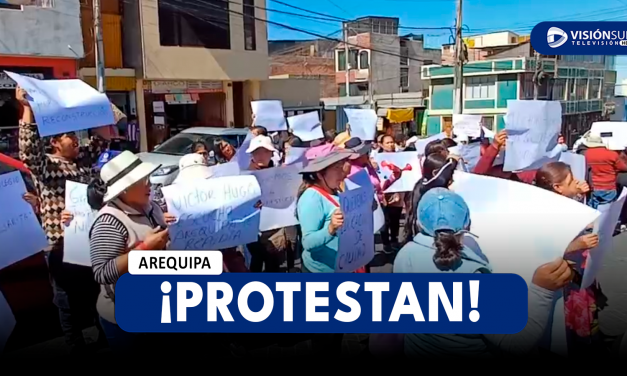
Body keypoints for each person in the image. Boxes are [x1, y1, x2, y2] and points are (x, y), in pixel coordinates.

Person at [394, 188, 573, 358]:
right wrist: (542, 290)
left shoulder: (404, 254)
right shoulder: (472, 277)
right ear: (469, 225)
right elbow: (516, 343)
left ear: (418, 223)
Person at [16, 86, 109, 354]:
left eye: (75, 135)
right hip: (62, 246)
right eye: (69, 136)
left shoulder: (83, 162)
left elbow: (103, 138)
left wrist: (98, 105)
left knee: (98, 295)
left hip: (91, 243)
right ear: (55, 142)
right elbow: (28, 149)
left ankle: (103, 340)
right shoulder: (46, 166)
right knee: (66, 301)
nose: (75, 140)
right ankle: (75, 345)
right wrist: (27, 108)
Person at [86, 151, 168, 353]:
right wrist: (145, 248)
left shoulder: (152, 208)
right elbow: (102, 272)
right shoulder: (109, 222)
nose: (149, 184)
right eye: (142, 180)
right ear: (123, 189)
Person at [535, 161, 608, 356]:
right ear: (557, 188)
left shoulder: (564, 202)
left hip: (578, 277)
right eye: (570, 180)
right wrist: (578, 245)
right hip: (561, 284)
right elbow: (542, 249)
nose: (576, 181)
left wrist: (581, 196)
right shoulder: (542, 212)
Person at [244, 135, 291, 272]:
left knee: (273, 262)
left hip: (274, 228)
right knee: (256, 259)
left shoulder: (281, 174)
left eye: (264, 151)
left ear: (271, 153)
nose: (260, 155)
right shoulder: (244, 178)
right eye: (256, 152)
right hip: (252, 228)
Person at [402, 153, 458, 245]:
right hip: (432, 238)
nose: (452, 179)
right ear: (435, 173)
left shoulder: (422, 184)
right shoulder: (432, 191)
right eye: (449, 174)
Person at [583, 134, 627, 209]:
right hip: (609, 187)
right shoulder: (612, 154)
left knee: (593, 210)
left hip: (593, 187)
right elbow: (623, 168)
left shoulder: (586, 154)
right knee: (607, 210)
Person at [378, 135, 404, 253]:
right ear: (381, 144)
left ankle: (394, 240)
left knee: (395, 219)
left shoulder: (400, 157)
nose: (391, 144)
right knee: (384, 220)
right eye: (387, 143)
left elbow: (403, 177)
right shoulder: (376, 159)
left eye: (392, 142)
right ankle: (385, 242)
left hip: (397, 193)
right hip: (382, 195)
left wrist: (398, 192)